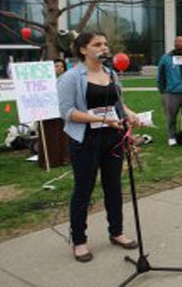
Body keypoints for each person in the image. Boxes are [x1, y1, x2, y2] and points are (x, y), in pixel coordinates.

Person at [57, 31, 139, 262]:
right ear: (83, 50)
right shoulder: (71, 77)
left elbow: (117, 103)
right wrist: (100, 119)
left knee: (113, 186)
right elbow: (67, 113)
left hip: (113, 138)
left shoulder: (111, 73)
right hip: (85, 140)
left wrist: (130, 114)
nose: (104, 48)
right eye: (97, 44)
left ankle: (116, 232)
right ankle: (79, 240)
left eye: (105, 43)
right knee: (84, 190)